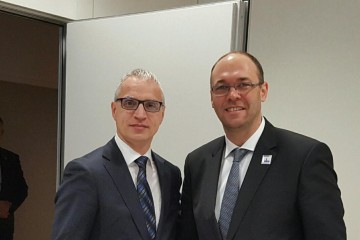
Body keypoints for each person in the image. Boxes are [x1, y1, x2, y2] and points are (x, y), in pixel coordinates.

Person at [178, 51, 346, 240]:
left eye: (243, 84)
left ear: (263, 90)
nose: (232, 95)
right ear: (211, 97)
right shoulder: (198, 162)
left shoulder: (304, 158)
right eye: (221, 87)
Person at [52, 69, 182, 240]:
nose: (140, 114)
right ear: (114, 110)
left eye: (151, 105)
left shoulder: (170, 175)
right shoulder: (85, 173)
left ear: (162, 114)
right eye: (129, 103)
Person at [0, 117, 28, 240]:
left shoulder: (10, 158)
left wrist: (9, 206)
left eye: (0, 132)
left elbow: (22, 189)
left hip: (3, 226)